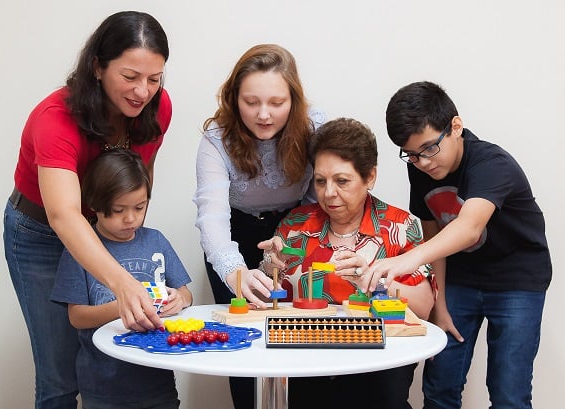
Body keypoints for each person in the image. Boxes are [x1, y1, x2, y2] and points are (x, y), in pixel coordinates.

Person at [3, 11, 172, 408]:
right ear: (97, 67)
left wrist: (131, 235)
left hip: (103, 227)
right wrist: (123, 283)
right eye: (130, 77)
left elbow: (140, 179)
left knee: (112, 355)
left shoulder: (157, 108)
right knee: (60, 370)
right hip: (40, 233)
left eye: (154, 78)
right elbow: (63, 214)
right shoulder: (56, 118)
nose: (143, 91)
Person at [367, 81, 552, 408]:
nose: (422, 162)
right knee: (439, 386)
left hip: (517, 279)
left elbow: (468, 228)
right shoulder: (420, 168)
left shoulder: (492, 164)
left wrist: (405, 262)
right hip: (461, 277)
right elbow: (433, 232)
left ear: (455, 127)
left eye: (428, 149)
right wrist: (440, 303)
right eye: (410, 154)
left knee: (509, 392)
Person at [260, 117, 436, 409]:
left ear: (370, 177)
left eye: (342, 181)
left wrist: (375, 281)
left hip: (378, 363)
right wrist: (270, 264)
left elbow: (424, 305)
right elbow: (269, 298)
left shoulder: (400, 226)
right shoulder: (296, 224)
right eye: (320, 181)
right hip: (306, 362)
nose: (329, 193)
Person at [193, 44, 324, 408]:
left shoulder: (315, 129)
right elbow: (212, 218)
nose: (264, 115)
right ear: (234, 98)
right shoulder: (216, 140)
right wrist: (237, 273)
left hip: (297, 228)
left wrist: (295, 237)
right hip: (235, 237)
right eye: (251, 102)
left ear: (294, 100)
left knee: (302, 334)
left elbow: (323, 197)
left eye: (276, 103)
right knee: (242, 343)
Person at [51, 149, 192, 409]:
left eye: (139, 208)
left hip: (157, 382)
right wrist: (121, 307)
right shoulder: (81, 250)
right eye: (118, 210)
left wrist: (179, 300)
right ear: (95, 204)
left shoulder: (156, 240)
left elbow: (185, 293)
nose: (130, 218)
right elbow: (77, 317)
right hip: (104, 386)